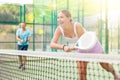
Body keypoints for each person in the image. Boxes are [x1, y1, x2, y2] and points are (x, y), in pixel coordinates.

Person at [50, 9, 120, 80]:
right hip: (81, 48)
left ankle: (114, 73)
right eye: (58, 18)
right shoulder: (59, 30)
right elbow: (52, 44)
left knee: (105, 65)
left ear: (69, 18)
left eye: (61, 17)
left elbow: (83, 42)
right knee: (82, 72)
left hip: (93, 45)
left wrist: (72, 48)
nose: (59, 19)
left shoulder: (77, 26)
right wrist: (64, 47)